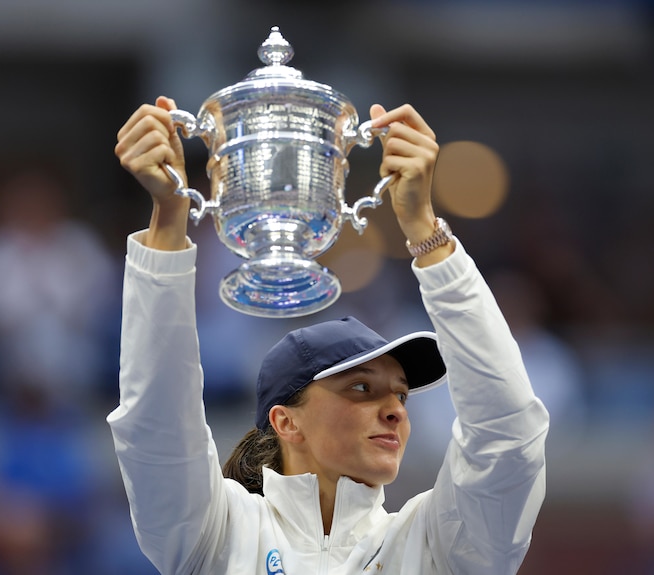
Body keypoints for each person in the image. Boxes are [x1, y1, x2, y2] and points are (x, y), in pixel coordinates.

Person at [108, 96, 549, 574]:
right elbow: (158, 425)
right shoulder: (218, 534)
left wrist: (426, 230)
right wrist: (168, 220)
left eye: (402, 396)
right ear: (286, 423)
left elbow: (508, 433)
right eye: (361, 388)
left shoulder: (435, 547)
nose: (396, 412)